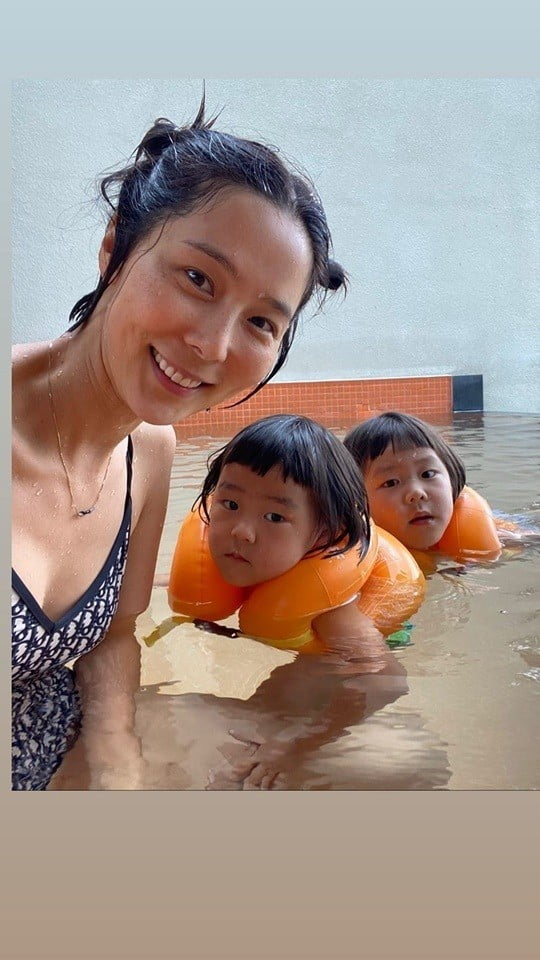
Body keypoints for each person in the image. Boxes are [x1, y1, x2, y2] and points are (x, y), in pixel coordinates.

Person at [11, 98, 347, 791]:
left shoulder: (149, 451)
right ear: (116, 248)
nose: (212, 346)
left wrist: (117, 763)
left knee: (375, 765)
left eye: (260, 321)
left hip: (56, 747)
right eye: (198, 278)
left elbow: (111, 636)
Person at [165, 414, 409, 789]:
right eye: (229, 504)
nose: (242, 531)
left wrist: (304, 744)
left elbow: (387, 680)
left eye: (274, 516)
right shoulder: (254, 554)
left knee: (286, 699)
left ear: (324, 533)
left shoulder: (333, 611)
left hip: (334, 676)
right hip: (305, 653)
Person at [343, 411, 529, 563]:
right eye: (390, 483)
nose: (416, 493)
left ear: (452, 479)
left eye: (428, 474)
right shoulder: (354, 558)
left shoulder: (503, 533)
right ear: (358, 503)